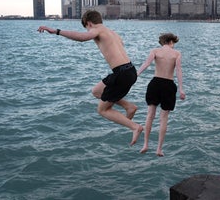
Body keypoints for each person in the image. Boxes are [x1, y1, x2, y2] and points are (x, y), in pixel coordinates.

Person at [37, 10, 143, 146]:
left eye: (87, 28)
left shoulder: (96, 30)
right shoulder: (112, 32)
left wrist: (56, 31)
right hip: (129, 70)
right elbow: (119, 45)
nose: (88, 31)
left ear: (89, 23)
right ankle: (129, 107)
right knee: (97, 91)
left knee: (102, 110)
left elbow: (82, 37)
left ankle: (135, 127)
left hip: (121, 74)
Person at [136, 33, 186, 156]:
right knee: (163, 119)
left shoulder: (155, 51)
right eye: (173, 43)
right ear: (170, 42)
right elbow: (178, 70)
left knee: (149, 115)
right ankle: (159, 149)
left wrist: (135, 75)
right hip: (168, 85)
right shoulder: (176, 54)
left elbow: (146, 64)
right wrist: (181, 89)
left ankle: (146, 144)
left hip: (155, 83)